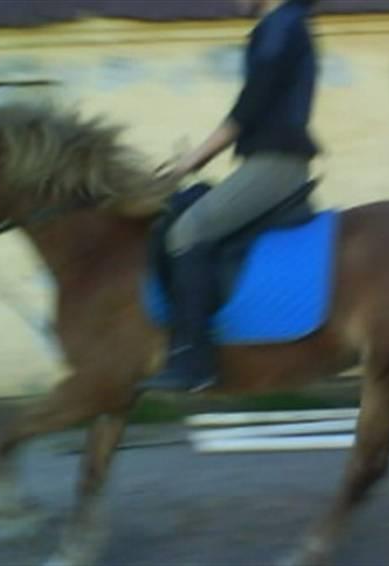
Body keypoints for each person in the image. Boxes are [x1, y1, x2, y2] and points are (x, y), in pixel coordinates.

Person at [139, 0, 321, 393]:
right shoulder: (283, 25)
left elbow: (248, 109)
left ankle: (193, 362)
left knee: (188, 230)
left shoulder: (280, 25)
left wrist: (190, 161)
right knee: (186, 209)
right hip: (265, 160)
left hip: (275, 164)